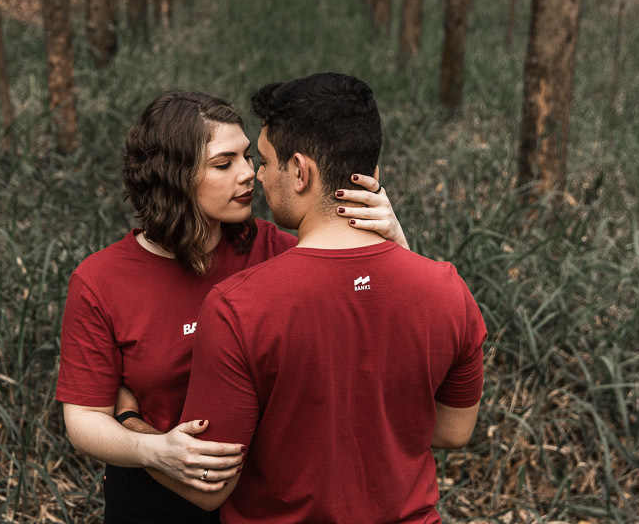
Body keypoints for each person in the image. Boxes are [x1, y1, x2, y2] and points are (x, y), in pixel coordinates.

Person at [144, 73, 487, 523]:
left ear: (301, 172)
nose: (257, 175)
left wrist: (135, 434)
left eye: (264, 161)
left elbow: (210, 486)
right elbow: (453, 430)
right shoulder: (448, 290)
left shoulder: (238, 307)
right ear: (373, 173)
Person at [55, 89, 409, 523]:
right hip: (151, 499)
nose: (250, 174)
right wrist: (154, 449)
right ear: (174, 176)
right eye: (224, 164)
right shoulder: (100, 281)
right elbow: (85, 420)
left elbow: (377, 308)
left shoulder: (276, 249)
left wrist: (395, 239)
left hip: (268, 500)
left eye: (247, 156)